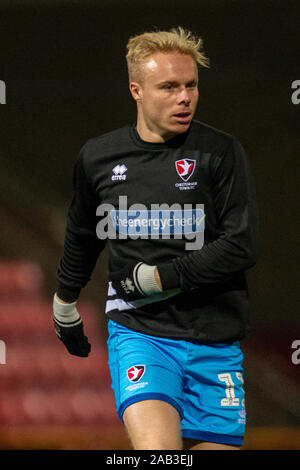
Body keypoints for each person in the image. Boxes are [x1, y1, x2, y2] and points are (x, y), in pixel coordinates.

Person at [53, 26, 259, 450]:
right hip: (142, 334)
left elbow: (241, 245)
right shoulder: (99, 156)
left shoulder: (221, 152)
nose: (184, 97)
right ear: (137, 90)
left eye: (190, 86)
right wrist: (65, 300)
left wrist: (159, 278)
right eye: (168, 87)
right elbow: (84, 230)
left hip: (216, 342)